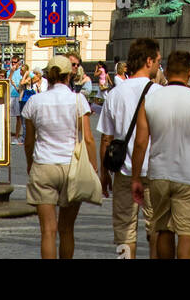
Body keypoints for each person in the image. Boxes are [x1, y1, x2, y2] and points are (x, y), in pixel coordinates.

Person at [130, 50, 190, 260]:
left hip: (159, 174)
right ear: (189, 73)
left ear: (167, 71)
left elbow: (141, 143)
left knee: (163, 228)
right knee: (187, 230)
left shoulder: (150, 100)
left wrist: (135, 178)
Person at [23, 55, 96, 260]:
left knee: (48, 230)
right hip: (71, 166)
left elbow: (29, 141)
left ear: (48, 75)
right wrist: (93, 167)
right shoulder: (78, 99)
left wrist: (30, 163)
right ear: (68, 75)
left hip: (44, 165)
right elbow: (88, 139)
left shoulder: (34, 101)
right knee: (66, 229)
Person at [99, 38, 160, 260]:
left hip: (124, 172)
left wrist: (104, 172)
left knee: (124, 231)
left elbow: (106, 139)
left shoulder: (116, 93)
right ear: (148, 60)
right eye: (157, 61)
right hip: (154, 172)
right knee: (156, 229)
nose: (158, 67)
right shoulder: (159, 93)